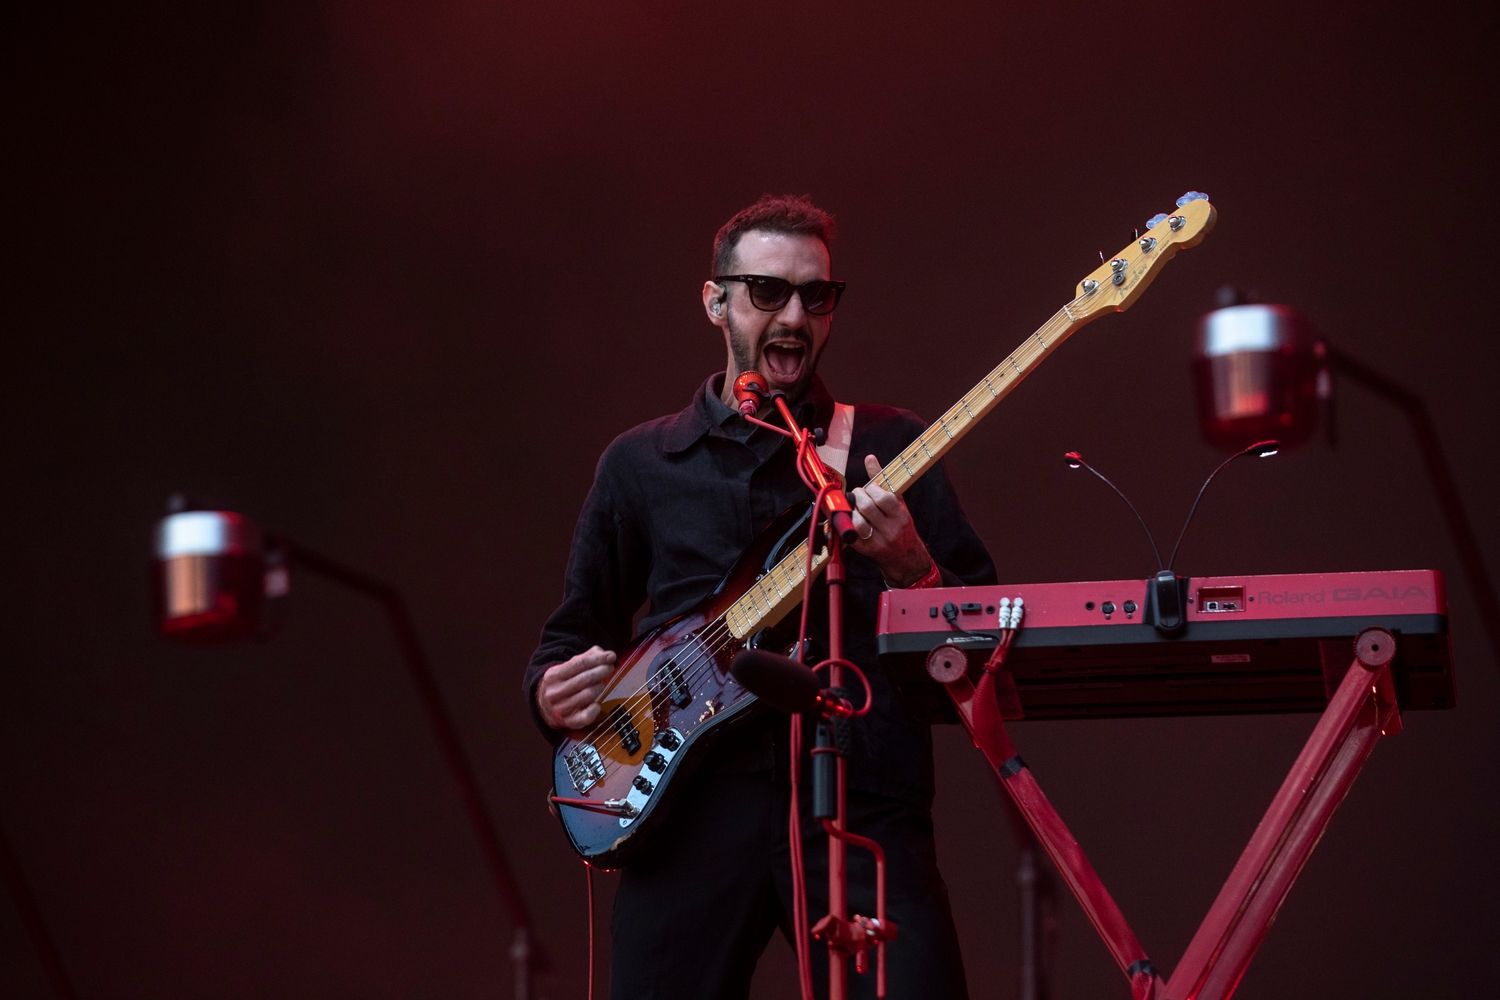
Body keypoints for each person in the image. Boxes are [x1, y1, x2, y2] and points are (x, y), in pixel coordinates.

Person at [526, 194, 996, 999]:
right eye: (767, 293)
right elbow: (575, 634)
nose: (795, 315)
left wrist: (914, 568)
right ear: (716, 301)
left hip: (856, 795)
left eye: (816, 296)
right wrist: (551, 692)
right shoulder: (643, 463)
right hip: (689, 808)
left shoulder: (887, 445)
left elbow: (980, 635)